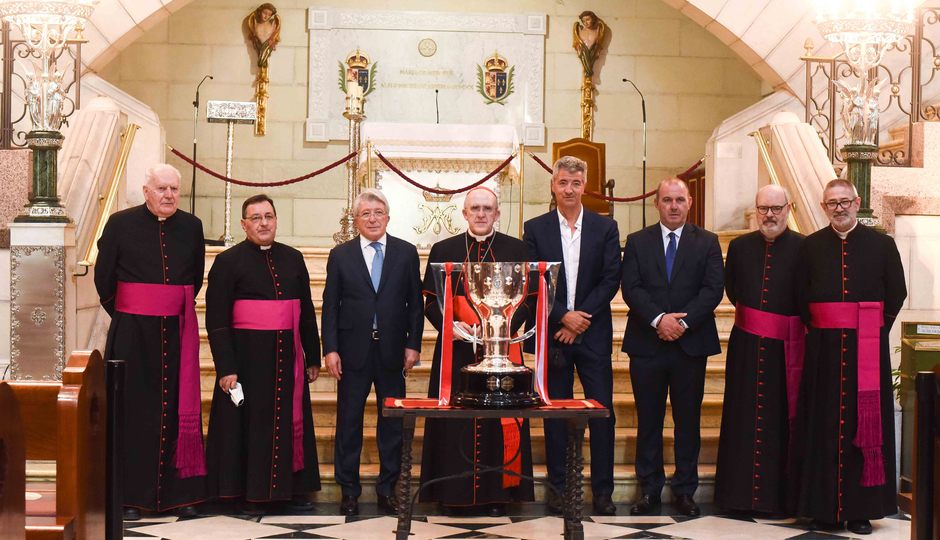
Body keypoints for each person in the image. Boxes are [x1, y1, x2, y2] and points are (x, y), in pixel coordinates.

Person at [791, 179, 907, 535]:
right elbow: (800, 296)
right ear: (824, 207)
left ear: (858, 203)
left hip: (866, 353)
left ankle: (861, 510)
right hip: (822, 353)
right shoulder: (810, 247)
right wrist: (823, 327)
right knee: (822, 426)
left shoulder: (883, 245)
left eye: (844, 202)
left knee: (864, 427)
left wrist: (871, 332)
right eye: (831, 203)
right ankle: (823, 509)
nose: (839, 208)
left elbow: (897, 292)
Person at [95, 164, 207, 520]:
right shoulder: (120, 224)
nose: (169, 196)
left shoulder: (192, 227)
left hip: (176, 331)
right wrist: (132, 314)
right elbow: (104, 279)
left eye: (174, 189)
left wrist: (167, 308)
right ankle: (132, 497)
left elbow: (196, 278)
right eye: (161, 189)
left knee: (177, 407)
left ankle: (180, 494)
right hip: (132, 333)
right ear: (146, 191)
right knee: (134, 411)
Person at [419, 187, 535, 517]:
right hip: (457, 350)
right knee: (455, 420)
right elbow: (431, 300)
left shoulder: (516, 249)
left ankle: (498, 495)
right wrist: (450, 326)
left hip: (502, 350)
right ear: (465, 214)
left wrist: (505, 326)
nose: (481, 214)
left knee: (497, 421)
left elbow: (528, 299)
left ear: (497, 214)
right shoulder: (444, 249)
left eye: (487, 208)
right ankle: (451, 493)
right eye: (475, 209)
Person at [204, 194, 321, 514]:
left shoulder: (293, 258)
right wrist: (226, 366)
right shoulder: (227, 262)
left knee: (288, 423)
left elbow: (305, 311)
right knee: (249, 428)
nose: (264, 223)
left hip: (287, 360)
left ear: (276, 220)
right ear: (243, 224)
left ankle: (292, 490)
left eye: (268, 216)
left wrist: (313, 355)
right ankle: (246, 493)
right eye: (256, 218)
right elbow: (216, 320)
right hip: (247, 362)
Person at [523, 156, 621, 516]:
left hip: (593, 334)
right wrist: (563, 316)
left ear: (585, 186)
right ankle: (559, 490)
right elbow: (534, 280)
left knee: (602, 414)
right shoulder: (535, 228)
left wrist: (581, 318)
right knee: (555, 414)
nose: (569, 189)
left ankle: (603, 492)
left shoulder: (605, 227)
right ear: (553, 185)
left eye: (575, 184)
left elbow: (611, 277)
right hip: (553, 335)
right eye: (562, 183)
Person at [621, 177, 724, 517]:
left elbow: (713, 290)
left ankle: (684, 491)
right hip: (647, 345)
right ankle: (649, 490)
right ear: (657, 204)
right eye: (667, 200)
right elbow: (631, 288)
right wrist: (658, 319)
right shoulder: (637, 241)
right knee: (648, 421)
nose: (674, 206)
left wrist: (681, 322)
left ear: (690, 202)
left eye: (680, 199)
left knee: (688, 421)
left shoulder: (707, 242)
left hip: (689, 345)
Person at [321, 188, 424, 516]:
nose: (373, 218)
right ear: (356, 220)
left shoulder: (406, 253)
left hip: (393, 351)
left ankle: (388, 489)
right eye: (365, 213)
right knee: (349, 421)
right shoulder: (341, 255)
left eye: (378, 212)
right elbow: (330, 306)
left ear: (388, 217)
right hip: (352, 353)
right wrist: (331, 349)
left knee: (392, 424)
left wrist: (413, 344)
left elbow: (415, 305)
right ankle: (348, 491)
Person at [714, 185, 804, 515]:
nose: (770, 215)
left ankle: (780, 499)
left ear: (788, 208)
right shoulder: (739, 247)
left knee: (781, 421)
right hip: (747, 348)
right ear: (756, 210)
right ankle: (737, 499)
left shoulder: (803, 248)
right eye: (763, 208)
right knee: (743, 417)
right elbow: (733, 289)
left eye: (776, 208)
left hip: (787, 350)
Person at [572, 10, 607, 77]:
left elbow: (598, 44)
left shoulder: (597, 31)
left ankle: (588, 74)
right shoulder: (580, 32)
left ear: (593, 19)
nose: (585, 23)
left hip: (593, 54)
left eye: (588, 20)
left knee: (588, 72)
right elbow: (577, 45)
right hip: (583, 54)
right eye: (583, 21)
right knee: (586, 72)